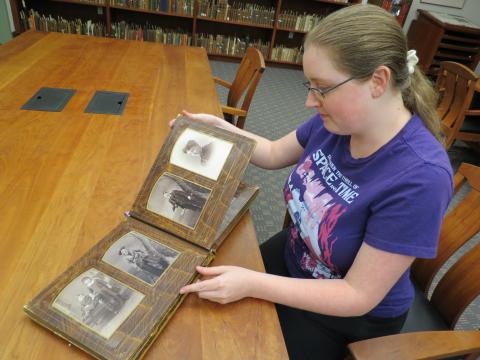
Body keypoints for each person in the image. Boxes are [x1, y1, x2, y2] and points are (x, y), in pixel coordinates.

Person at [174, 4, 453, 359]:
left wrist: (252, 284)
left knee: (233, 345)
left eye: (322, 88)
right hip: (297, 256)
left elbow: (357, 295)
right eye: (310, 86)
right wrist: (222, 130)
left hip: (345, 313)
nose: (309, 101)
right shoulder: (339, 121)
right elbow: (274, 153)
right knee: (201, 312)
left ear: (378, 82)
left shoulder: (421, 177)